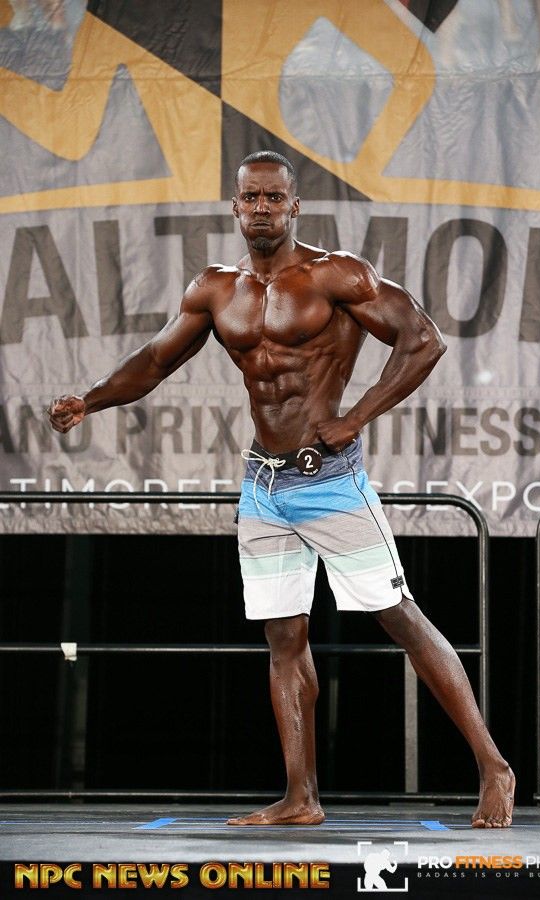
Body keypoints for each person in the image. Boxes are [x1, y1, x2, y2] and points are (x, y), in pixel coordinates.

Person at [48, 150, 515, 828]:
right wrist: (89, 401)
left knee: (400, 616)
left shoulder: (336, 275)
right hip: (264, 486)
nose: (262, 208)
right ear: (235, 207)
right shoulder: (216, 289)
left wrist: (356, 418)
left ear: (294, 206)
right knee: (284, 637)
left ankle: (493, 766)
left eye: (273, 198)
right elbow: (154, 360)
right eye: (251, 198)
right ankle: (301, 797)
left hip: (331, 483)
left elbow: (423, 340)